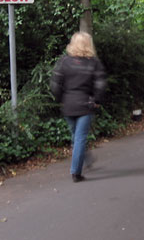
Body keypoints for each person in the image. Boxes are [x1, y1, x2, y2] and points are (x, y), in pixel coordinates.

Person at [51, 32, 107, 182]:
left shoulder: (64, 61)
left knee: (76, 137)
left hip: (68, 104)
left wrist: (60, 99)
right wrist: (97, 100)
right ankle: (76, 172)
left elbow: (56, 83)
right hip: (85, 104)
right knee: (80, 137)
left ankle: (86, 159)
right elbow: (100, 85)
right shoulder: (94, 63)